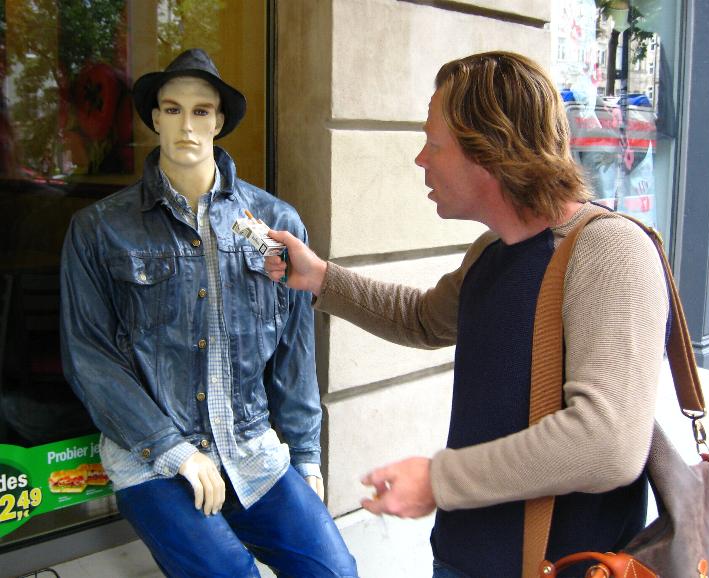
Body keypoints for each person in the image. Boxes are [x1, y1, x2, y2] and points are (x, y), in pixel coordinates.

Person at [265, 52, 669, 578]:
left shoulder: (609, 251)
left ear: (489, 150)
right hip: (463, 556)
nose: (421, 159)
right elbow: (422, 319)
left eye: (434, 143)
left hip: (564, 567)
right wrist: (320, 277)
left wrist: (438, 481)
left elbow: (607, 444)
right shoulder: (491, 251)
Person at [60, 48, 357, 578]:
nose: (187, 125)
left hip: (251, 449)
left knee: (334, 571)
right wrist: (173, 450)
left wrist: (306, 455)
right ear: (154, 118)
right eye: (172, 110)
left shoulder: (275, 222)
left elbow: (294, 351)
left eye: (201, 111)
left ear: (219, 121)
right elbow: (90, 359)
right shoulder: (100, 230)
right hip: (154, 457)